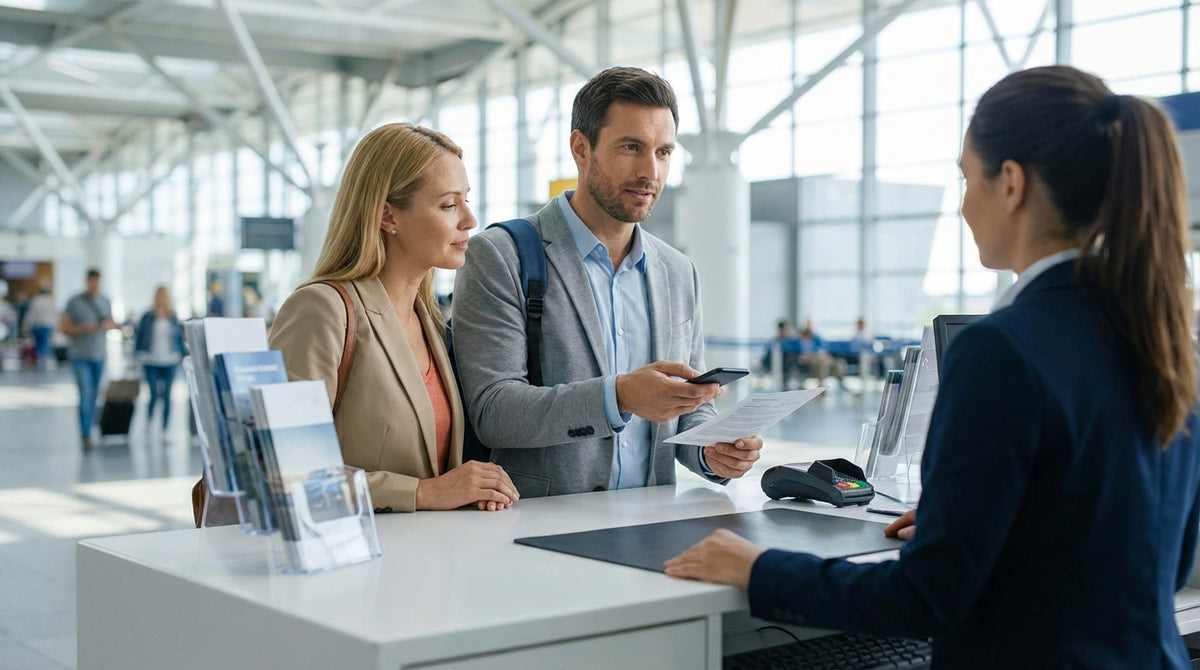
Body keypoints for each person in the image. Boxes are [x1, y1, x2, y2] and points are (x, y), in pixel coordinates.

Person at [663, 65, 1200, 668]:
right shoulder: (1165, 339)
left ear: (1013, 184)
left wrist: (759, 568)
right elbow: (1166, 555)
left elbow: (927, 598)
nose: (965, 204)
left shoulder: (1003, 349)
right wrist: (981, 522)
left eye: (966, 177)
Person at [452, 66, 763, 498]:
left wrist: (711, 449)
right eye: (631, 147)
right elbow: (493, 411)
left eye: (663, 152)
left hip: (651, 523)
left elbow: (690, 408)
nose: (650, 172)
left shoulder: (677, 271)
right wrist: (620, 396)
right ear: (581, 148)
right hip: (537, 531)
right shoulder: (500, 255)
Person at [268, 122, 519, 513]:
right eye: (449, 204)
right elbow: (285, 473)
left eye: (466, 200)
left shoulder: (430, 322)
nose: (469, 219)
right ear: (388, 216)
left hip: (427, 560)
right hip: (350, 565)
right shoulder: (321, 311)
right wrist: (424, 493)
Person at [61, 268, 118, 450]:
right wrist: (86, 328)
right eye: (92, 281)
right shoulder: (74, 302)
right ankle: (85, 434)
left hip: (99, 355)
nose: (94, 285)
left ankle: (92, 428)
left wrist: (111, 326)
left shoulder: (105, 301)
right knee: (85, 394)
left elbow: (111, 322)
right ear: (87, 281)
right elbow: (64, 328)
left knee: (95, 395)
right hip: (80, 356)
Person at [134, 285, 186, 431]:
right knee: (153, 394)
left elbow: (179, 339)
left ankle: (165, 428)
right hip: (150, 360)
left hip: (170, 360)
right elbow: (140, 337)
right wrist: (137, 355)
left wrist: (183, 355)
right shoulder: (148, 316)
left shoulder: (173, 317)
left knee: (168, 395)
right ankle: (149, 423)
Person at [23, 286, 57, 368]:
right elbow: (54, 314)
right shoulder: (50, 300)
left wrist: (26, 325)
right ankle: (46, 361)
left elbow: (31, 314)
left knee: (39, 345)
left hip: (38, 325)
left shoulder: (36, 300)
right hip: (49, 325)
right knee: (46, 343)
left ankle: (41, 361)